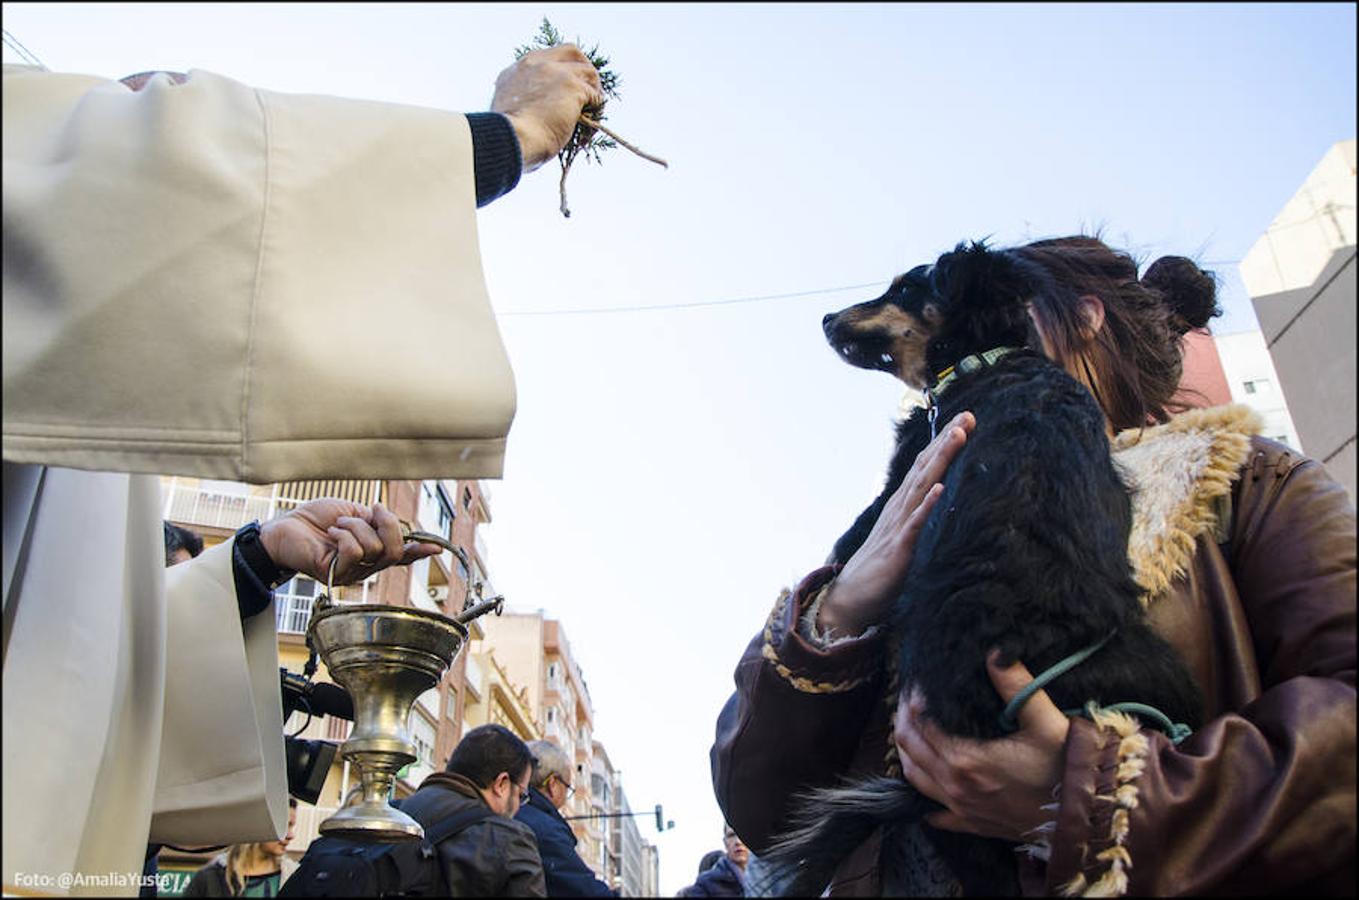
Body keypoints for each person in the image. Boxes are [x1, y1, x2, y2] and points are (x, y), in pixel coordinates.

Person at [3, 45, 601, 895]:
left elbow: (85, 654)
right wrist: (497, 138)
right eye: (152, 117)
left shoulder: (86, 406)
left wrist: (254, 561)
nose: (164, 108)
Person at [711, 235, 1356, 896]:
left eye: (999, 306)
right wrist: (840, 606)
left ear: (1084, 318)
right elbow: (763, 812)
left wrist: (1103, 800)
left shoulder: (1243, 481)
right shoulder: (920, 503)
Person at [395, 723, 547, 897]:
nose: (520, 805)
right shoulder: (510, 840)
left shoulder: (391, 814)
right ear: (501, 784)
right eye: (521, 794)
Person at [515, 739, 615, 897]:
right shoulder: (546, 831)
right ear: (553, 784)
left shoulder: (506, 811)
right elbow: (584, 891)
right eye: (567, 788)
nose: (566, 797)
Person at [183, 799, 299, 897]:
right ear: (259, 823)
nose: (291, 835)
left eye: (292, 826)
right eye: (284, 826)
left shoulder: (296, 878)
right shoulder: (210, 879)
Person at [677, 825, 748, 897]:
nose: (738, 842)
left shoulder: (758, 875)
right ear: (725, 842)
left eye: (743, 834)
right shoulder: (706, 883)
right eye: (731, 835)